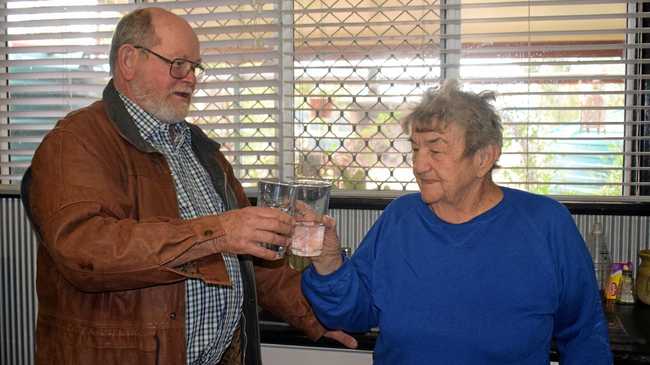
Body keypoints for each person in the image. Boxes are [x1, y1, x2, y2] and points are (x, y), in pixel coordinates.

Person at [22, 7, 355, 365]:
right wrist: (217, 233)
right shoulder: (75, 142)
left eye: (195, 67)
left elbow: (250, 260)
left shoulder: (197, 147)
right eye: (178, 64)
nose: (191, 79)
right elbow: (85, 250)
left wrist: (316, 314)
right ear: (129, 60)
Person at [301, 80, 613, 364]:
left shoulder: (545, 223)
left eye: (436, 150)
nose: (419, 165)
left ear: (483, 158)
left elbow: (584, 334)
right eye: (415, 148)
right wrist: (329, 262)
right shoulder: (400, 219)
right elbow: (352, 315)